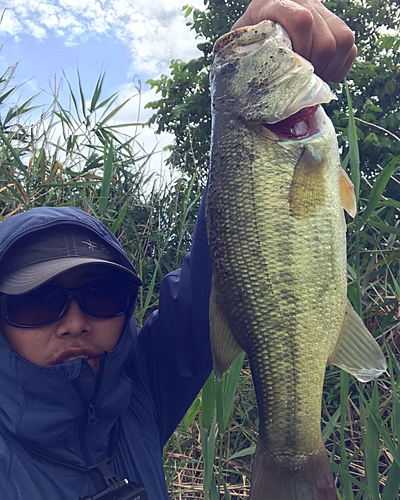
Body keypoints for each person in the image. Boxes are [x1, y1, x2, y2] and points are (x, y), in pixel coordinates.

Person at [0, 1, 356, 498]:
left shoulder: (139, 394)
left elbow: (222, 268)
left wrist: (252, 53)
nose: (76, 321)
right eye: (37, 302)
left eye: (101, 295)